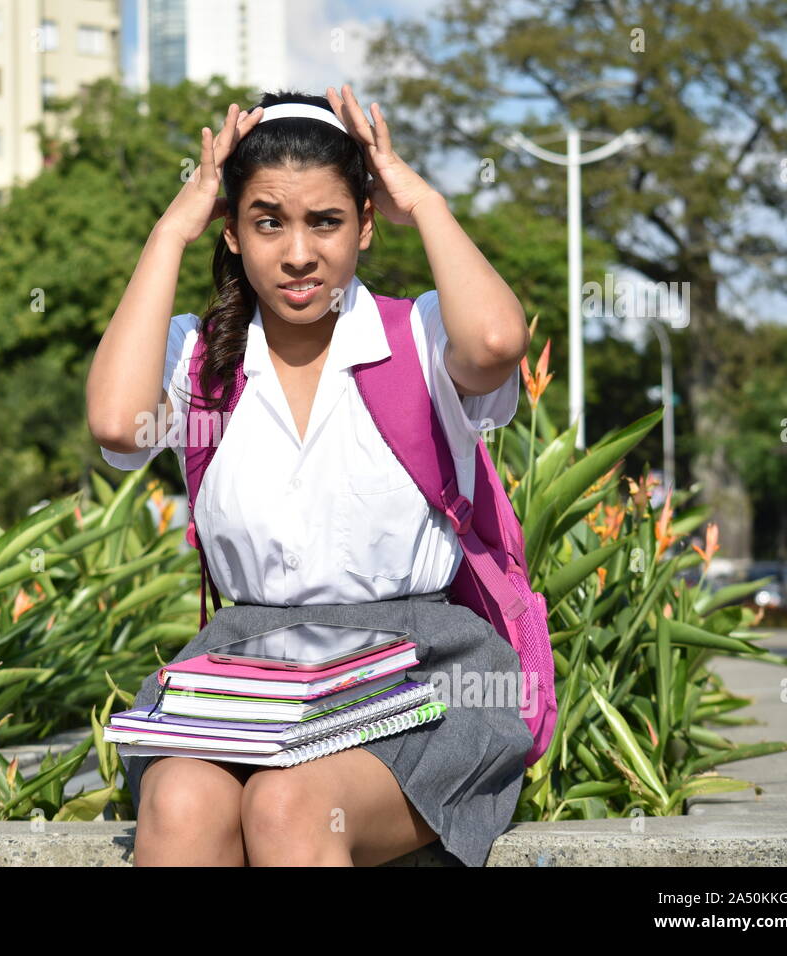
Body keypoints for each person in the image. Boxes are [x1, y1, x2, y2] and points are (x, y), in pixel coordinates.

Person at [86, 84, 534, 867]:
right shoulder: (202, 362)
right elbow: (118, 424)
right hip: (249, 670)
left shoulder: (417, 339)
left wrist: (420, 198)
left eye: (326, 221)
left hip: (420, 673)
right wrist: (170, 230)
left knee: (291, 806)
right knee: (181, 802)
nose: (298, 253)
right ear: (231, 233)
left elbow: (497, 341)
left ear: (365, 224)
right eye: (268, 222)